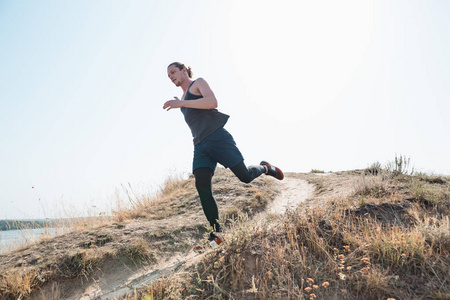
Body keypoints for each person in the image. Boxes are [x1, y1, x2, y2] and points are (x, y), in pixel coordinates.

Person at [163, 62, 284, 244]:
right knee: (202, 185)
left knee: (244, 176)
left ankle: (266, 168)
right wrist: (182, 104)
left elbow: (212, 102)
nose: (171, 76)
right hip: (200, 145)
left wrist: (182, 103)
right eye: (168, 75)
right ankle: (217, 235)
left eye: (173, 72)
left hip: (218, 137)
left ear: (184, 70)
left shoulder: (198, 83)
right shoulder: (181, 100)